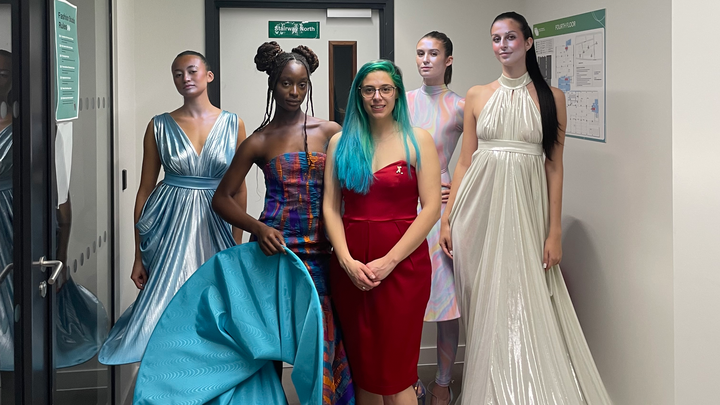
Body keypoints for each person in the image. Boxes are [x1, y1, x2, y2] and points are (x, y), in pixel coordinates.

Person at [439, 12, 612, 404]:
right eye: (496, 38)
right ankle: (488, 386)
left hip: (526, 210)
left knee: (524, 293)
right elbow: (464, 162)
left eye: (510, 37)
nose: (502, 45)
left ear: (528, 42)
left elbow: (554, 166)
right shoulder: (477, 95)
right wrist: (448, 218)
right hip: (476, 212)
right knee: (485, 300)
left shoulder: (553, 98)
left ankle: (522, 388)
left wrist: (554, 232)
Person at [212, 41, 354, 405]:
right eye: (286, 84)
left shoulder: (330, 131)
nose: (294, 92)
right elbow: (221, 198)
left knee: (323, 336)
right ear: (272, 85)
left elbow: (354, 184)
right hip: (274, 252)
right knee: (270, 340)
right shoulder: (259, 140)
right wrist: (257, 229)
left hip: (322, 252)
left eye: (302, 84)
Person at [99, 50, 246, 365]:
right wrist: (138, 255)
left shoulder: (234, 124)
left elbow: (239, 189)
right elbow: (144, 190)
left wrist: (237, 245)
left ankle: (207, 365)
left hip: (217, 219)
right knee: (166, 298)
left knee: (215, 296)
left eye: (192, 71)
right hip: (169, 222)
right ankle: (168, 367)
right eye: (177, 74)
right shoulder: (158, 125)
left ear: (209, 75)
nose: (185, 78)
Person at [324, 60, 441, 405]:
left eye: (386, 89)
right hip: (351, 269)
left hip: (403, 267)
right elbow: (330, 208)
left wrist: (389, 261)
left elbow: (431, 209)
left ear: (397, 94)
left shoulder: (418, 140)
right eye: (369, 90)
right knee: (364, 371)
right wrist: (346, 261)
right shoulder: (340, 142)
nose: (378, 97)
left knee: (397, 374)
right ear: (358, 95)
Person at [406, 31, 464, 405]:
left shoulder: (460, 105)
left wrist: (455, 190)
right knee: (406, 299)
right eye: (420, 53)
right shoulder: (402, 102)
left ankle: (443, 382)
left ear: (448, 60)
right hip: (403, 203)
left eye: (433, 53)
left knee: (446, 302)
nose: (425, 60)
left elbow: (476, 157)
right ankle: (408, 378)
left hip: (442, 211)